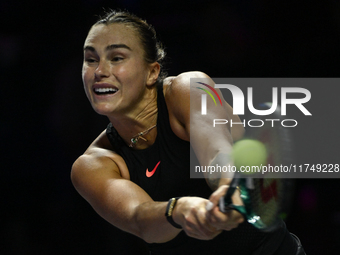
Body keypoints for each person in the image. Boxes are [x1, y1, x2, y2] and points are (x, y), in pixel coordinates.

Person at [71, 10, 305, 254]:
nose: (99, 71)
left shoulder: (189, 89)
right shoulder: (92, 165)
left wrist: (229, 186)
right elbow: (140, 220)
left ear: (152, 72)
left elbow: (216, 150)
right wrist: (179, 211)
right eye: (91, 59)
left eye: (117, 57)